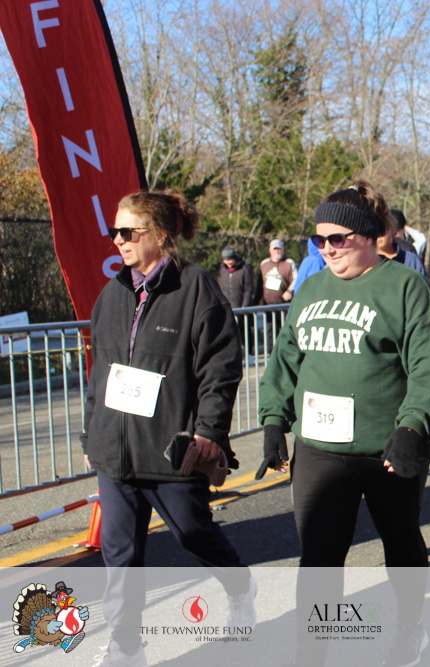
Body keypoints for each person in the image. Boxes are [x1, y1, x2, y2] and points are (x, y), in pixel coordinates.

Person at [257, 181, 430, 667]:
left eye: (337, 238)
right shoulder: (312, 288)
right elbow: (286, 358)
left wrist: (412, 428)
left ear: (366, 236)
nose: (327, 248)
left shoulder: (404, 286)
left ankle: (409, 628)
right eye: (318, 240)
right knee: (319, 556)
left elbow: (427, 365)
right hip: (320, 447)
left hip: (387, 446)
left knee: (400, 541)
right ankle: (311, 654)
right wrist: (274, 420)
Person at [82, 190, 255, 667]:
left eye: (128, 231)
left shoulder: (196, 288)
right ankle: (126, 647)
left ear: (159, 234)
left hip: (169, 448)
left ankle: (240, 586)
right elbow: (100, 374)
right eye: (114, 232)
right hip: (114, 453)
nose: (118, 240)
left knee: (193, 533)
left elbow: (220, 368)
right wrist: (91, 434)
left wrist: (209, 431)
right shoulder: (112, 293)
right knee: (119, 555)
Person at [377, 210, 427, 275]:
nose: (379, 234)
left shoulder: (409, 255)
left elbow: (422, 240)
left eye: (384, 229)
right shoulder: (369, 258)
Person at [259, 239, 297, 304]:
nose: (277, 251)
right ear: (270, 250)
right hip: (267, 305)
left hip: (284, 304)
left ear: (283, 249)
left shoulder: (289, 263)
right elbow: (259, 284)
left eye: (279, 249)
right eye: (275, 249)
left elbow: (296, 280)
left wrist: (289, 291)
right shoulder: (264, 264)